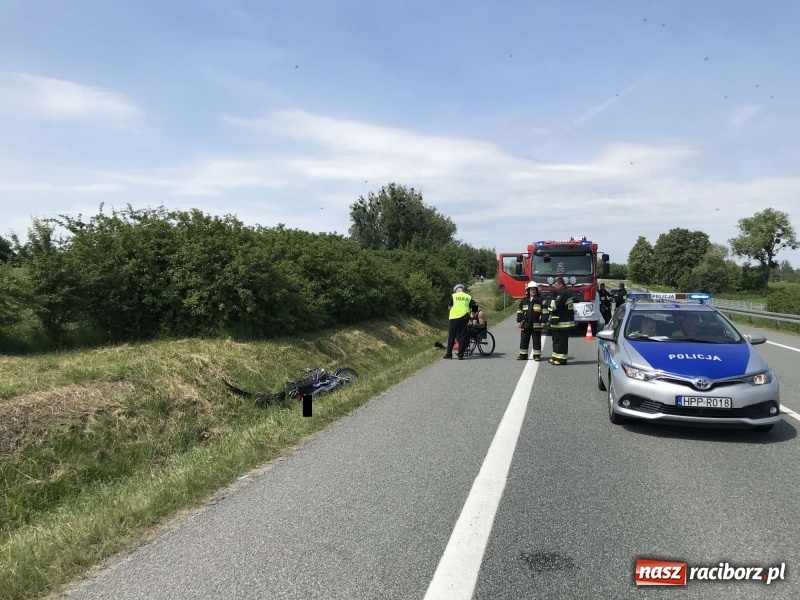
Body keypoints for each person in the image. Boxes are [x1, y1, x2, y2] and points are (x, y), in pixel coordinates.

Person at [517, 281, 549, 360]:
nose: (533, 291)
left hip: (536, 325)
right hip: (525, 324)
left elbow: (545, 312)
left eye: (534, 289)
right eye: (531, 289)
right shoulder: (524, 300)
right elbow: (519, 311)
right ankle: (523, 355)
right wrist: (518, 321)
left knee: (537, 341)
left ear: (537, 290)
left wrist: (543, 322)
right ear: (528, 290)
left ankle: (537, 356)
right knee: (524, 340)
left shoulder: (540, 300)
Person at [548, 277, 575, 365]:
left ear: (561, 284)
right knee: (555, 339)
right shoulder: (562, 293)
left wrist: (546, 303)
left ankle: (561, 359)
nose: (555, 287)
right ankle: (555, 357)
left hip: (563, 321)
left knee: (561, 341)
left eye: (556, 285)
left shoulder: (564, 293)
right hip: (559, 321)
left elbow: (556, 305)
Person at [444, 283, 473, 360]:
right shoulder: (468, 297)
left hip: (454, 317)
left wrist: (451, 310)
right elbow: (473, 307)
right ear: (462, 289)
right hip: (464, 317)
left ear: (456, 290)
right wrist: (472, 316)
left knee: (452, 336)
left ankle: (449, 355)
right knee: (462, 335)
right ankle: (461, 355)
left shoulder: (453, 296)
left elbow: (449, 306)